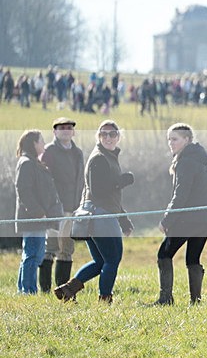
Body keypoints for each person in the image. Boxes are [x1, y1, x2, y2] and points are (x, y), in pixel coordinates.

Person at [54, 120, 134, 303]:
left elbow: (110, 197)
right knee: (112, 260)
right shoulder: (99, 158)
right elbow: (99, 192)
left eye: (112, 134)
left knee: (100, 262)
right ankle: (105, 299)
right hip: (99, 216)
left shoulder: (108, 157)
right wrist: (122, 181)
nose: (108, 137)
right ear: (98, 136)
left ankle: (68, 289)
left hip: (95, 215)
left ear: (118, 137)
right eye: (104, 134)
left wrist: (123, 220)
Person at [153, 123, 207, 305]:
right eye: (169, 139)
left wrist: (167, 220)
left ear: (187, 140)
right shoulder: (198, 158)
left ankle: (166, 299)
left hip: (190, 218)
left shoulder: (186, 162)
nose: (171, 143)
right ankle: (195, 302)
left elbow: (180, 195)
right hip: (205, 219)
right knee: (193, 258)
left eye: (175, 139)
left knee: (164, 254)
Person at [14, 130, 63, 294]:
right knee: (33, 255)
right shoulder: (27, 163)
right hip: (33, 218)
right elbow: (24, 190)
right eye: (41, 141)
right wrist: (38, 212)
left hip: (38, 217)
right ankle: (28, 291)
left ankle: (24, 290)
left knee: (33, 253)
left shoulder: (33, 162)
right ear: (34, 143)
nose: (44, 144)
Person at [39, 117, 85, 293]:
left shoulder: (78, 152)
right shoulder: (49, 151)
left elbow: (81, 179)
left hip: (73, 207)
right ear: (55, 132)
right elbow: (43, 180)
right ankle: (44, 289)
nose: (66, 130)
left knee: (66, 249)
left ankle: (62, 288)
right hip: (54, 208)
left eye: (69, 127)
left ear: (73, 131)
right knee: (50, 248)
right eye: (62, 128)